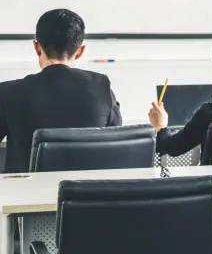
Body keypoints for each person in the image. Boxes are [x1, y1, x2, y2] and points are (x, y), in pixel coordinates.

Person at [0, 9, 122, 173]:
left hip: (27, 197)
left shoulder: (9, 93)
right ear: (80, 51)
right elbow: (118, 137)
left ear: (37, 47)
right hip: (86, 195)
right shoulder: (101, 87)